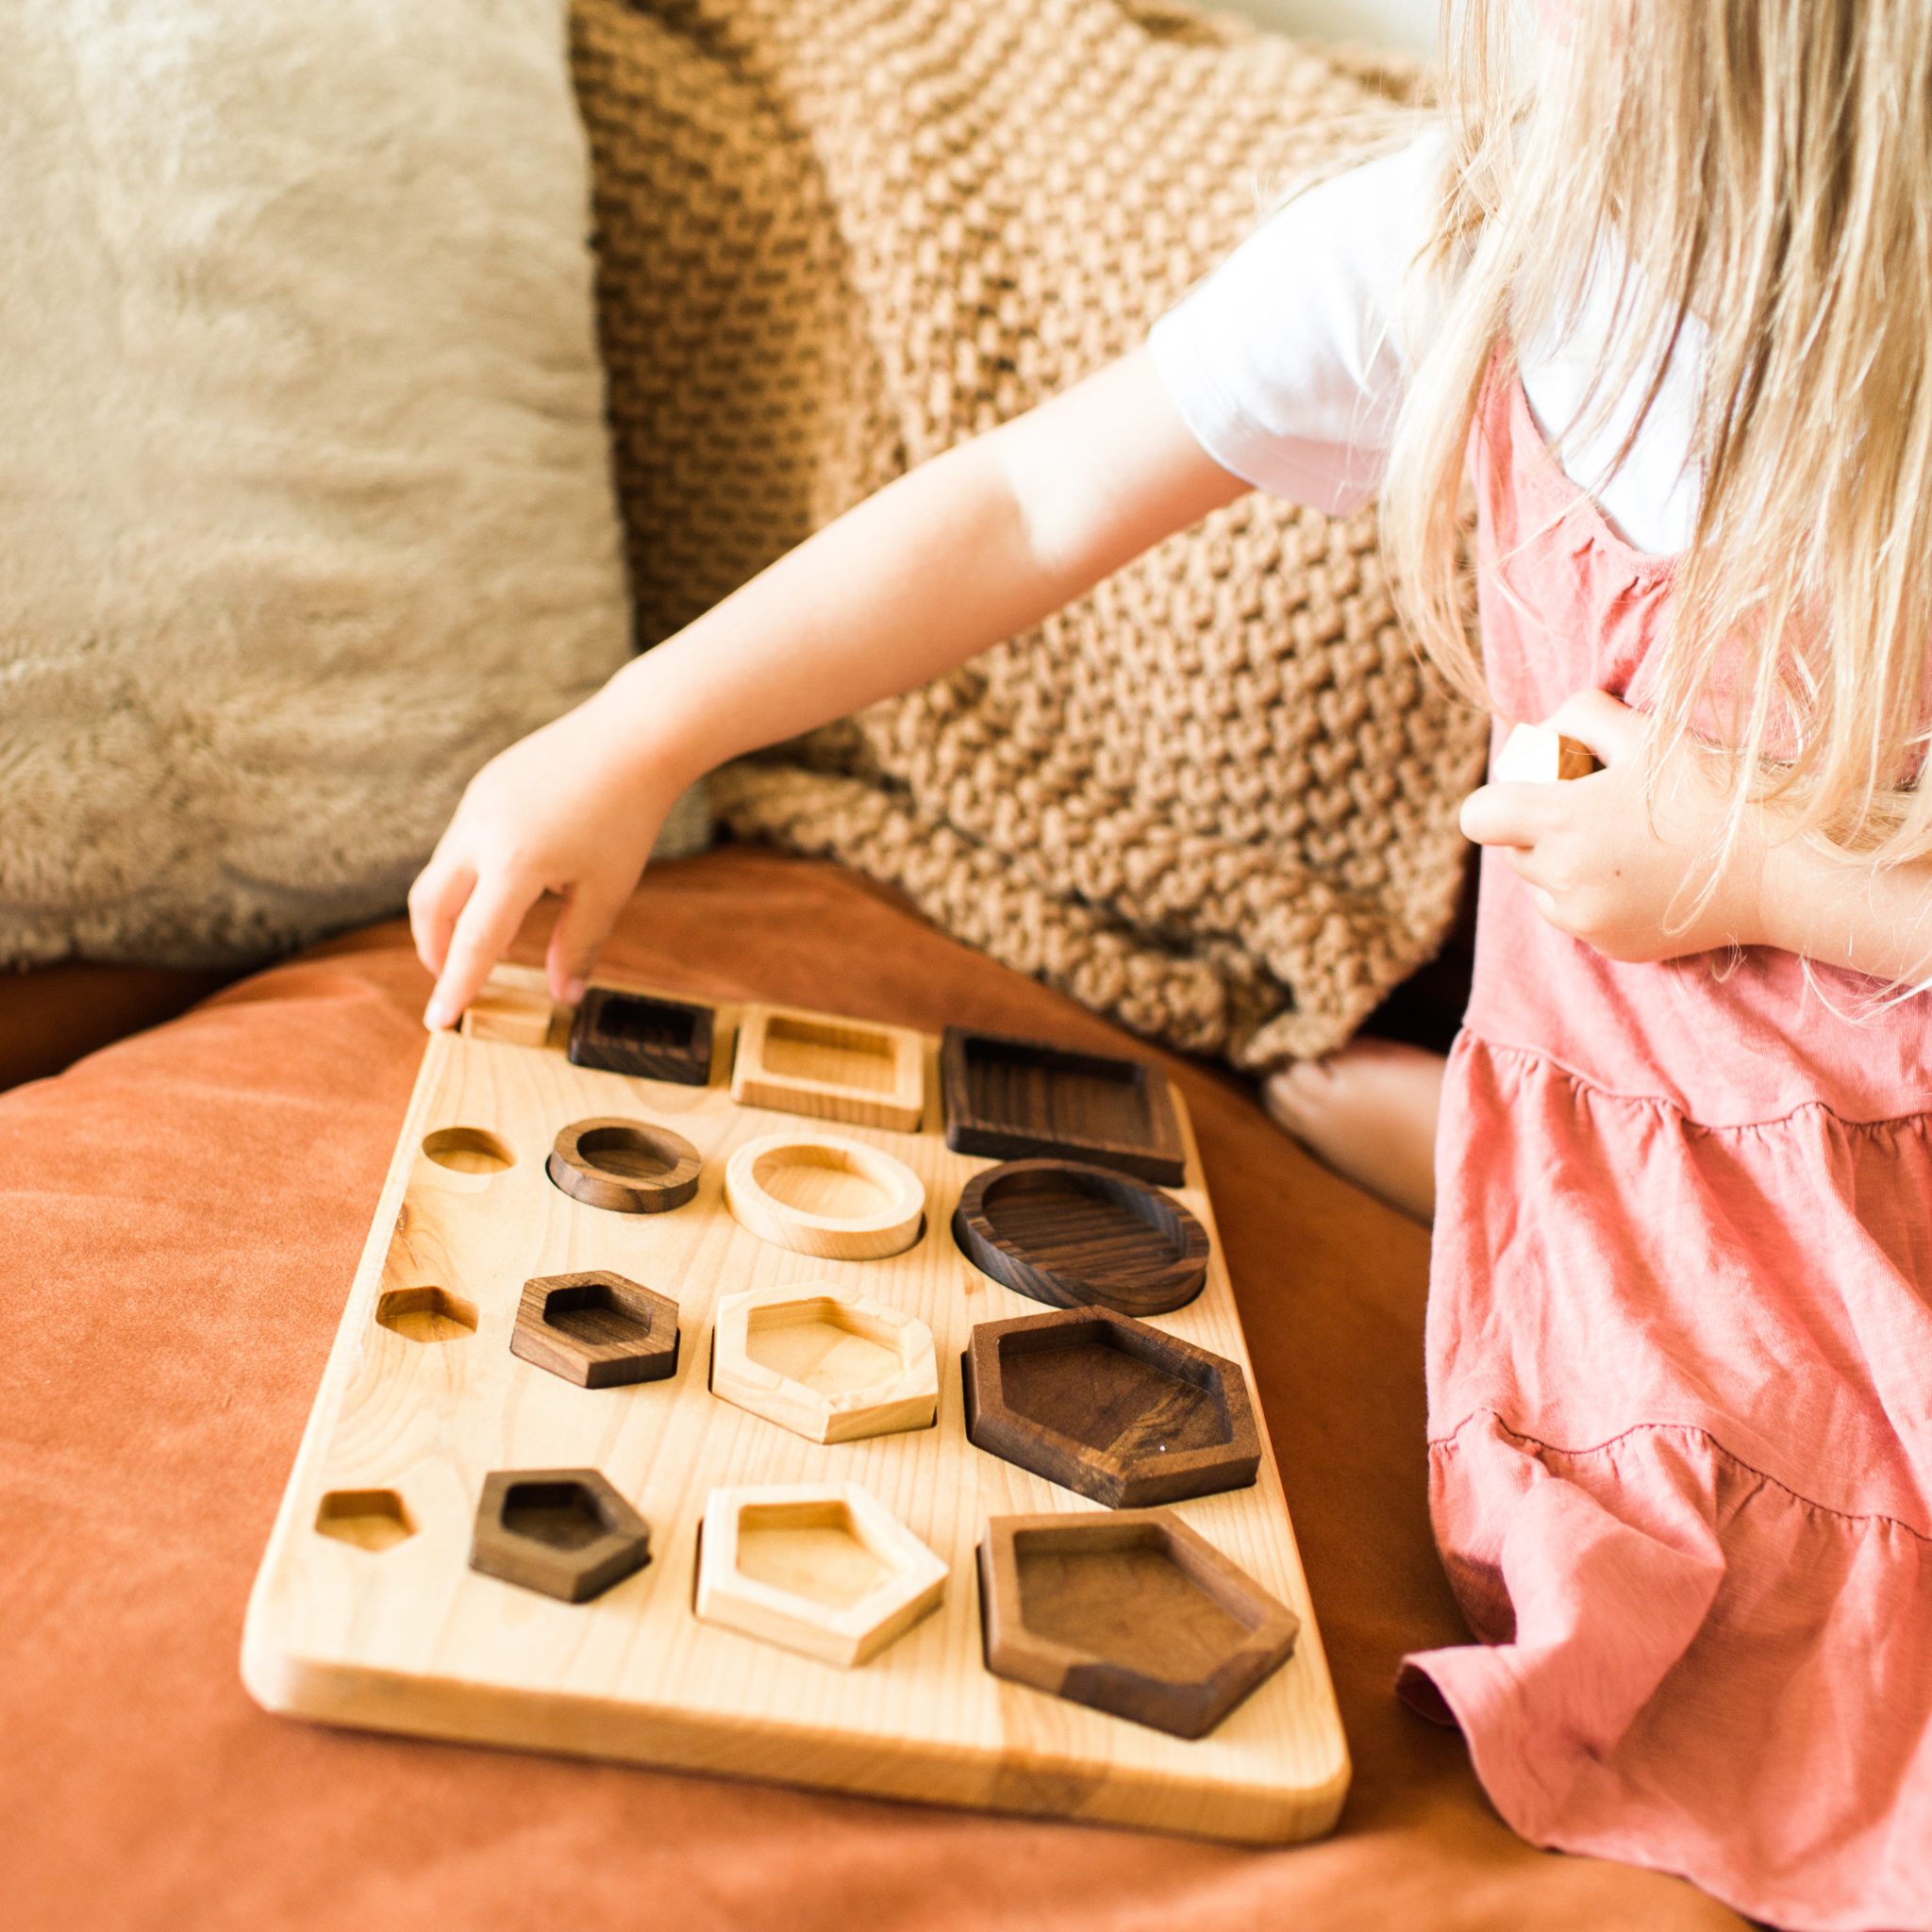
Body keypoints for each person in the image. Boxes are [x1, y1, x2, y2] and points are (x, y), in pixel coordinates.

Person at [410, 3, 1932, 1920]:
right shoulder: (1481, 237)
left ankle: (1458, 1133)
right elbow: (1024, 498)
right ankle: (1492, 1134)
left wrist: (1763, 869)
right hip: (1686, 1180)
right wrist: (627, 734)